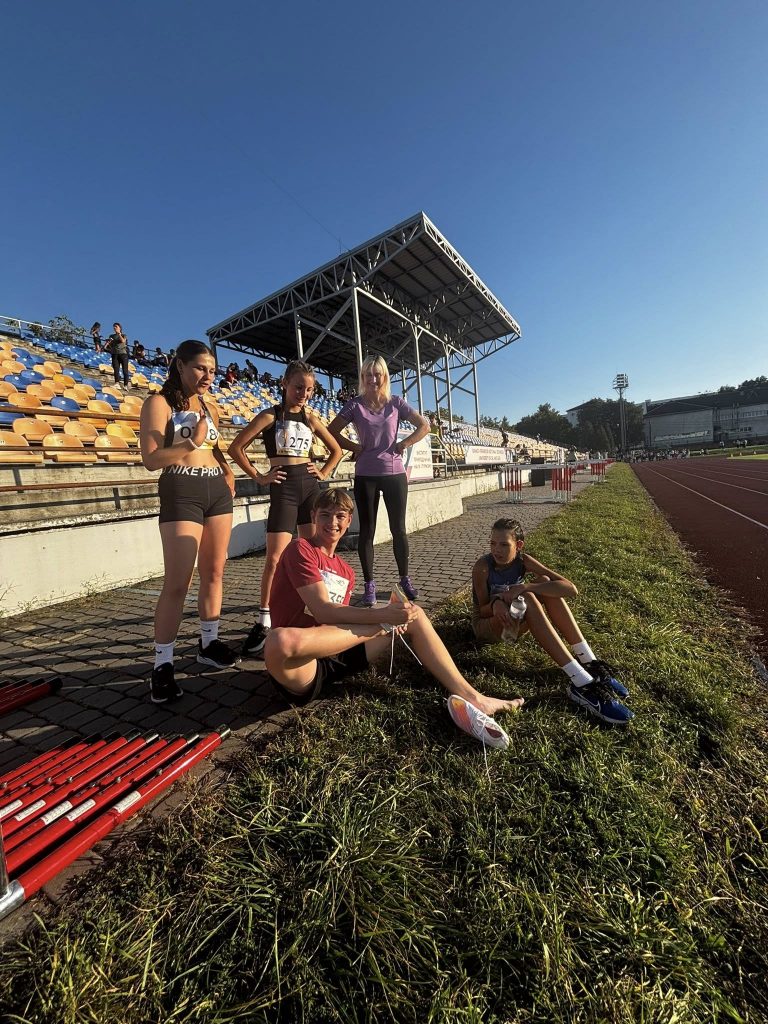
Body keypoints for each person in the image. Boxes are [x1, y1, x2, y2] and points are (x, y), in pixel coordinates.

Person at [264, 487, 524, 745]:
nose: (332, 522)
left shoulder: (346, 571)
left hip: (335, 654)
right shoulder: (301, 549)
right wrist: (382, 620)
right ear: (313, 516)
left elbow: (337, 621)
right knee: (279, 640)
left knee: (414, 613)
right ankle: (384, 624)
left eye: (340, 516)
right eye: (325, 515)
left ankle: (474, 697)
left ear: (349, 521)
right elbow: (323, 610)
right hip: (302, 664)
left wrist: (390, 615)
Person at [139, 339, 239, 703]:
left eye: (212, 370)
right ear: (180, 366)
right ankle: (162, 665)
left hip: (216, 492)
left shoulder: (208, 405)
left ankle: (208, 643)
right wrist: (190, 444)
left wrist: (227, 469)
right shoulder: (158, 403)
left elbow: (214, 447)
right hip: (181, 490)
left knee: (214, 572)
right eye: (200, 368)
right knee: (177, 583)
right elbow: (151, 459)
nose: (208, 376)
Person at [229, 359, 343, 657]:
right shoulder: (270, 415)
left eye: (309, 389)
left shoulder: (311, 418)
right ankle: (264, 620)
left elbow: (337, 450)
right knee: (275, 558)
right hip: (283, 488)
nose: (304, 394)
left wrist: (324, 471)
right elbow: (236, 448)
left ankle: (315, 610)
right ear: (284, 384)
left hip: (309, 488)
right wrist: (259, 477)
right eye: (298, 387)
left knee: (315, 555)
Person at [471, 518, 633, 725]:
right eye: (493, 543)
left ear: (518, 545)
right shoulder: (483, 567)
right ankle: (581, 683)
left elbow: (569, 588)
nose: (496, 550)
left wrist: (526, 586)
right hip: (489, 627)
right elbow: (482, 610)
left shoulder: (523, 560)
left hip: (514, 622)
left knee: (546, 585)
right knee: (530, 596)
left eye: (504, 544)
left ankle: (589, 662)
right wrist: (496, 603)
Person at [328, 355, 429, 606]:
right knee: (367, 531)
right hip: (366, 474)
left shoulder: (396, 402)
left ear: (384, 377)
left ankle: (405, 579)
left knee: (399, 530)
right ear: (362, 378)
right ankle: (369, 584)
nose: (373, 379)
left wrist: (404, 443)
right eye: (368, 375)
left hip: (394, 473)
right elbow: (331, 430)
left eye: (377, 374)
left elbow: (424, 426)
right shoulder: (354, 405)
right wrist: (354, 446)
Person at [105, 322, 130, 387]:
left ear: (120, 328)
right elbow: (109, 346)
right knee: (116, 369)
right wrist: (108, 343)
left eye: (116, 326)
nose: (114, 327)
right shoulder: (111, 336)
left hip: (123, 354)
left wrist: (119, 334)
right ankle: (117, 383)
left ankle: (125, 385)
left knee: (125, 370)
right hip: (114, 354)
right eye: (114, 326)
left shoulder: (124, 335)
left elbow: (123, 341)